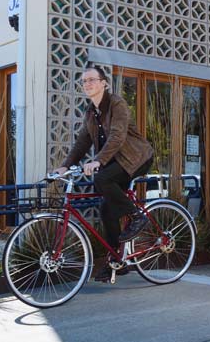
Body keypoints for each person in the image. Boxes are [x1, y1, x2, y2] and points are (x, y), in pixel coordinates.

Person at [52, 64, 154, 281]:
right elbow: (82, 142)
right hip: (114, 162)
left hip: (136, 157)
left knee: (102, 178)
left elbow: (117, 136)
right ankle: (118, 261)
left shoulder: (117, 103)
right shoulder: (91, 112)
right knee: (106, 209)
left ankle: (137, 217)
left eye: (91, 80)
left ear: (104, 83)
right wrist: (65, 165)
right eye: (84, 81)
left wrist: (98, 161)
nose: (87, 84)